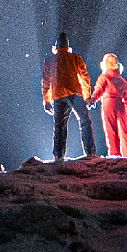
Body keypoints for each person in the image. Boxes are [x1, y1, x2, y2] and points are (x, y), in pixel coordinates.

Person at [41, 32, 96, 161]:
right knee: (84, 122)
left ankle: (58, 156)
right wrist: (87, 97)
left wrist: (46, 100)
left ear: (55, 47)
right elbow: (85, 78)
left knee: (59, 127)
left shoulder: (49, 60)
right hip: (75, 94)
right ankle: (90, 153)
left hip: (57, 96)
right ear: (67, 46)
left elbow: (46, 81)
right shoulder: (75, 58)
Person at [90, 52, 127, 159]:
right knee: (123, 132)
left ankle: (114, 155)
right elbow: (126, 98)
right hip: (121, 105)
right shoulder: (122, 81)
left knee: (111, 130)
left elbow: (98, 90)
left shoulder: (104, 77)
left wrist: (92, 100)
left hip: (108, 103)